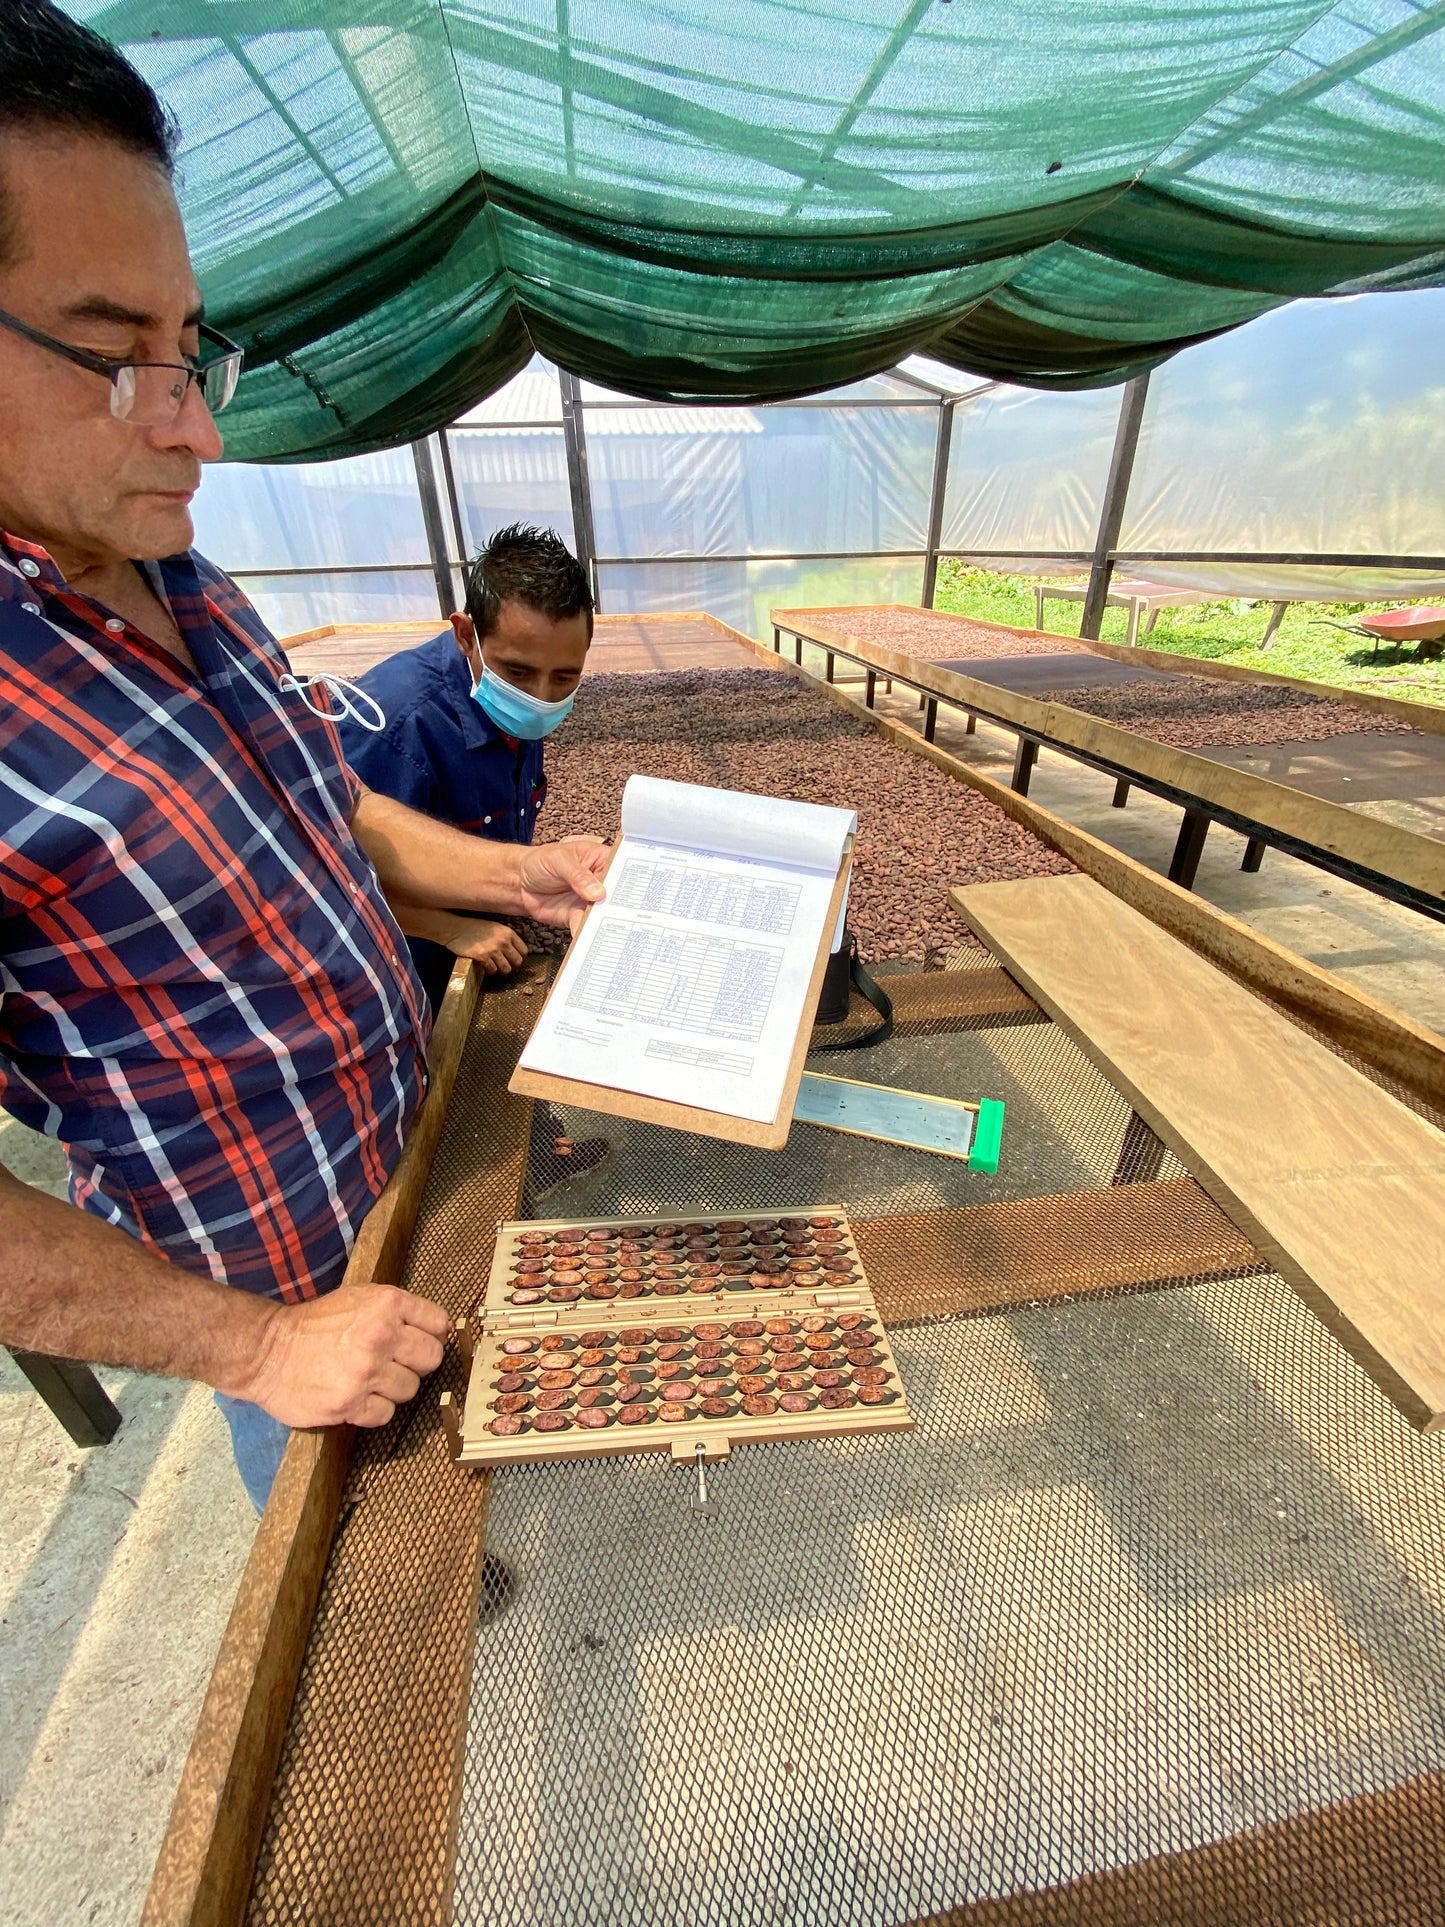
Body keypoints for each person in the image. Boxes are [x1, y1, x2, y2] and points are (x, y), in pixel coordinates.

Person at [0, 2, 606, 1510]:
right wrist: (258, 1343)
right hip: (282, 1290)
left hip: (411, 1158)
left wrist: (525, 872)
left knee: (476, 1502)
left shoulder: (171, 568)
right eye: (110, 355)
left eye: (187, 347)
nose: (192, 429)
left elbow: (316, 808)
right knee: (370, 1625)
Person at [338, 524, 592, 1011]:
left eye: (565, 676)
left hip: (490, 927)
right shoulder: (393, 726)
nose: (540, 698)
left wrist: (531, 870)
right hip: (400, 970)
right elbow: (331, 875)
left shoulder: (505, 706)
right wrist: (451, 927)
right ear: (465, 635)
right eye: (517, 673)